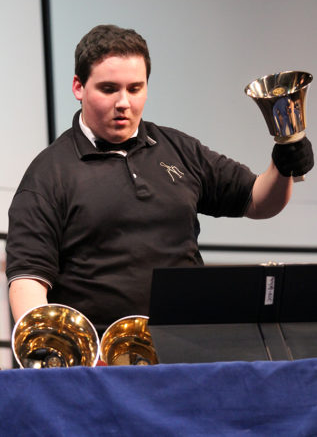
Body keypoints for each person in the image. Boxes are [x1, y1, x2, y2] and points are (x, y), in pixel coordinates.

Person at [6, 24, 314, 336]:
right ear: (78, 87)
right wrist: (47, 345)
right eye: (109, 89)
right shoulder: (49, 173)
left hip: (190, 347)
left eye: (135, 89)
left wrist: (284, 161)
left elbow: (259, 201)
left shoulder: (178, 149)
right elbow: (28, 279)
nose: (124, 102)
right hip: (102, 364)